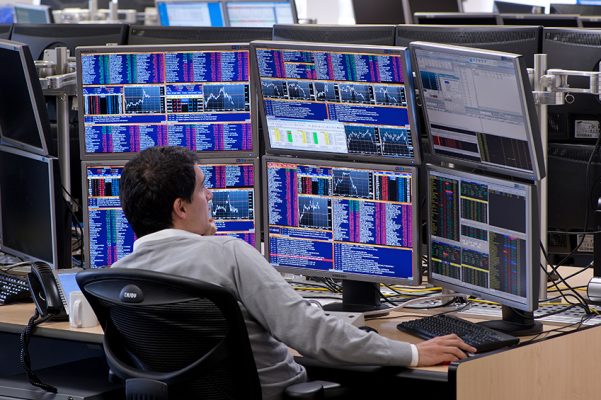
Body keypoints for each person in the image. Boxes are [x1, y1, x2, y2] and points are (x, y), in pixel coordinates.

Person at [114, 146, 476, 399]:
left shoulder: (117, 280)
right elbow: (311, 334)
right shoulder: (228, 254)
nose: (209, 196)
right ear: (180, 208)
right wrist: (412, 354)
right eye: (202, 189)